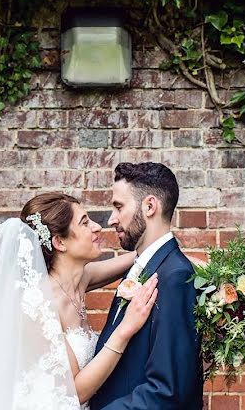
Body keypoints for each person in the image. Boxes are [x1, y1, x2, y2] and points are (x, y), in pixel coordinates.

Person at [0, 192, 159, 410]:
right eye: (85, 223)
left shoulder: (80, 279)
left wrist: (172, 254)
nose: (97, 227)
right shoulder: (38, 304)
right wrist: (125, 329)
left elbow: (139, 257)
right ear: (59, 242)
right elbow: (77, 390)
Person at [90, 162, 203, 410]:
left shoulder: (175, 277)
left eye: (119, 207)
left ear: (149, 206)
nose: (112, 220)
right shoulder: (144, 266)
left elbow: (167, 391)